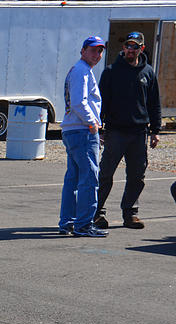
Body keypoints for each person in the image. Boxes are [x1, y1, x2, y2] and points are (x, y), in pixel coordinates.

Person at [94, 32, 162, 230]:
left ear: (141, 49)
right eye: (127, 46)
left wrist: (155, 130)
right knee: (105, 174)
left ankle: (130, 213)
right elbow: (101, 102)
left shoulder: (148, 72)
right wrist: (100, 129)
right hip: (115, 132)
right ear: (123, 48)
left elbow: (154, 104)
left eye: (134, 47)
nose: (130, 50)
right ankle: (96, 213)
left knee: (137, 176)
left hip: (139, 133)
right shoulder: (111, 71)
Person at [58, 36, 106, 237]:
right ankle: (84, 224)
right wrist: (92, 123)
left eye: (100, 51)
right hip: (81, 130)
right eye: (93, 50)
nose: (97, 55)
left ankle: (68, 222)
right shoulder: (82, 71)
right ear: (83, 51)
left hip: (73, 130)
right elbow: (79, 102)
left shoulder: (80, 70)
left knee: (74, 178)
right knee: (89, 178)